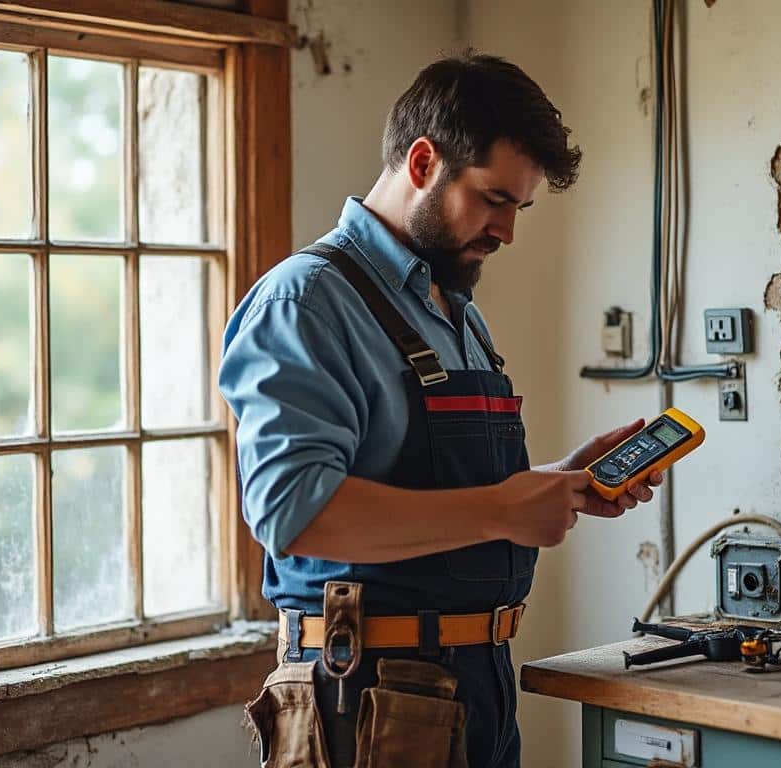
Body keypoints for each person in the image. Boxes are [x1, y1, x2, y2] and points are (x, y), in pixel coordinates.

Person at [219, 52, 663, 768]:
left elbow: (436, 489)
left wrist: (557, 484)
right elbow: (291, 512)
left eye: (518, 208)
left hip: (478, 686)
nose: (506, 230)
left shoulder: (451, 306)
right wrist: (501, 510)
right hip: (367, 700)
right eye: (492, 199)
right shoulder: (307, 302)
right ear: (423, 162)